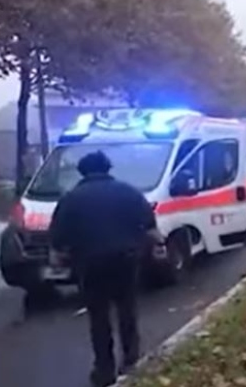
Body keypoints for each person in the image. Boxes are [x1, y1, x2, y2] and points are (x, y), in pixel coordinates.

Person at [49, 151, 162, 387]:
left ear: (82, 171)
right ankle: (131, 359)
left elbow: (58, 242)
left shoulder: (71, 199)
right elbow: (152, 229)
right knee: (126, 309)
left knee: (98, 317)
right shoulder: (129, 192)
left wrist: (61, 259)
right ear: (108, 168)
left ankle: (104, 368)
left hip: (91, 264)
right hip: (125, 260)